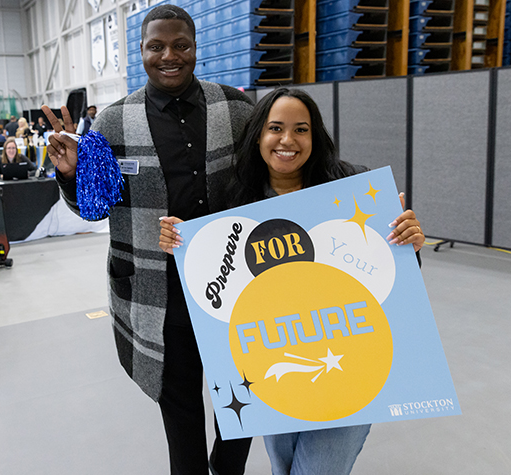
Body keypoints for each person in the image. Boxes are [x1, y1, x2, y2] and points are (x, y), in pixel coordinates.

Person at [158, 88, 426, 475]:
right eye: (275, 128)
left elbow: (396, 278)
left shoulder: (352, 188)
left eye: (301, 129)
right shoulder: (238, 201)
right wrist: (187, 244)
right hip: (278, 371)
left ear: (315, 137)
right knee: (283, 469)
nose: (287, 140)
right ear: (258, 136)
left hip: (348, 369)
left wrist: (408, 241)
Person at [44, 5, 255, 474]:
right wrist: (72, 175)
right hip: (159, 292)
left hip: (234, 289)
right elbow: (92, 208)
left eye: (180, 44)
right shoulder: (113, 123)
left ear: (195, 47)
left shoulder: (237, 109)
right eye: (155, 46)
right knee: (179, 413)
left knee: (243, 406)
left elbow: (273, 178)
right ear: (140, 52)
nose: (169, 55)